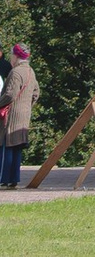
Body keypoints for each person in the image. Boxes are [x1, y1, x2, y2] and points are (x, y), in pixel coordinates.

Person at [3, 44, 36, 188]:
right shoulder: (30, 72)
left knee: (7, 145)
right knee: (17, 147)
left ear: (16, 56)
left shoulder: (15, 72)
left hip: (11, 115)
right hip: (24, 115)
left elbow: (10, 94)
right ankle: (14, 179)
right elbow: (36, 93)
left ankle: (3, 179)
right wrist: (27, 106)